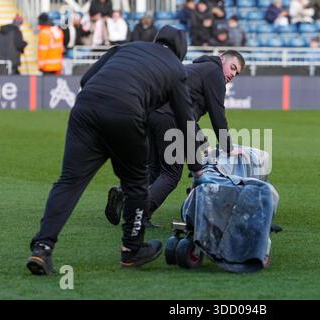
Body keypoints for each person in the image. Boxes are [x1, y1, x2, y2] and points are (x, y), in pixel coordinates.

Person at [26, 25, 203, 276]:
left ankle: (41, 248)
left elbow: (85, 79)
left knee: (69, 181)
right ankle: (132, 250)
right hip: (125, 114)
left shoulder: (126, 47)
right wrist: (196, 168)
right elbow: (186, 121)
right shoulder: (176, 69)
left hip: (85, 109)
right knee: (136, 185)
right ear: (181, 52)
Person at [105, 50, 246, 228]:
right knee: (170, 174)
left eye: (237, 73)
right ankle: (137, 215)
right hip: (170, 117)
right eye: (232, 68)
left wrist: (202, 142)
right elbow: (217, 114)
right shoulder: (214, 73)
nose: (232, 74)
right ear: (222, 60)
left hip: (152, 113)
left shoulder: (198, 67)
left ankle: (124, 192)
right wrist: (228, 147)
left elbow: (188, 113)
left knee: (154, 170)